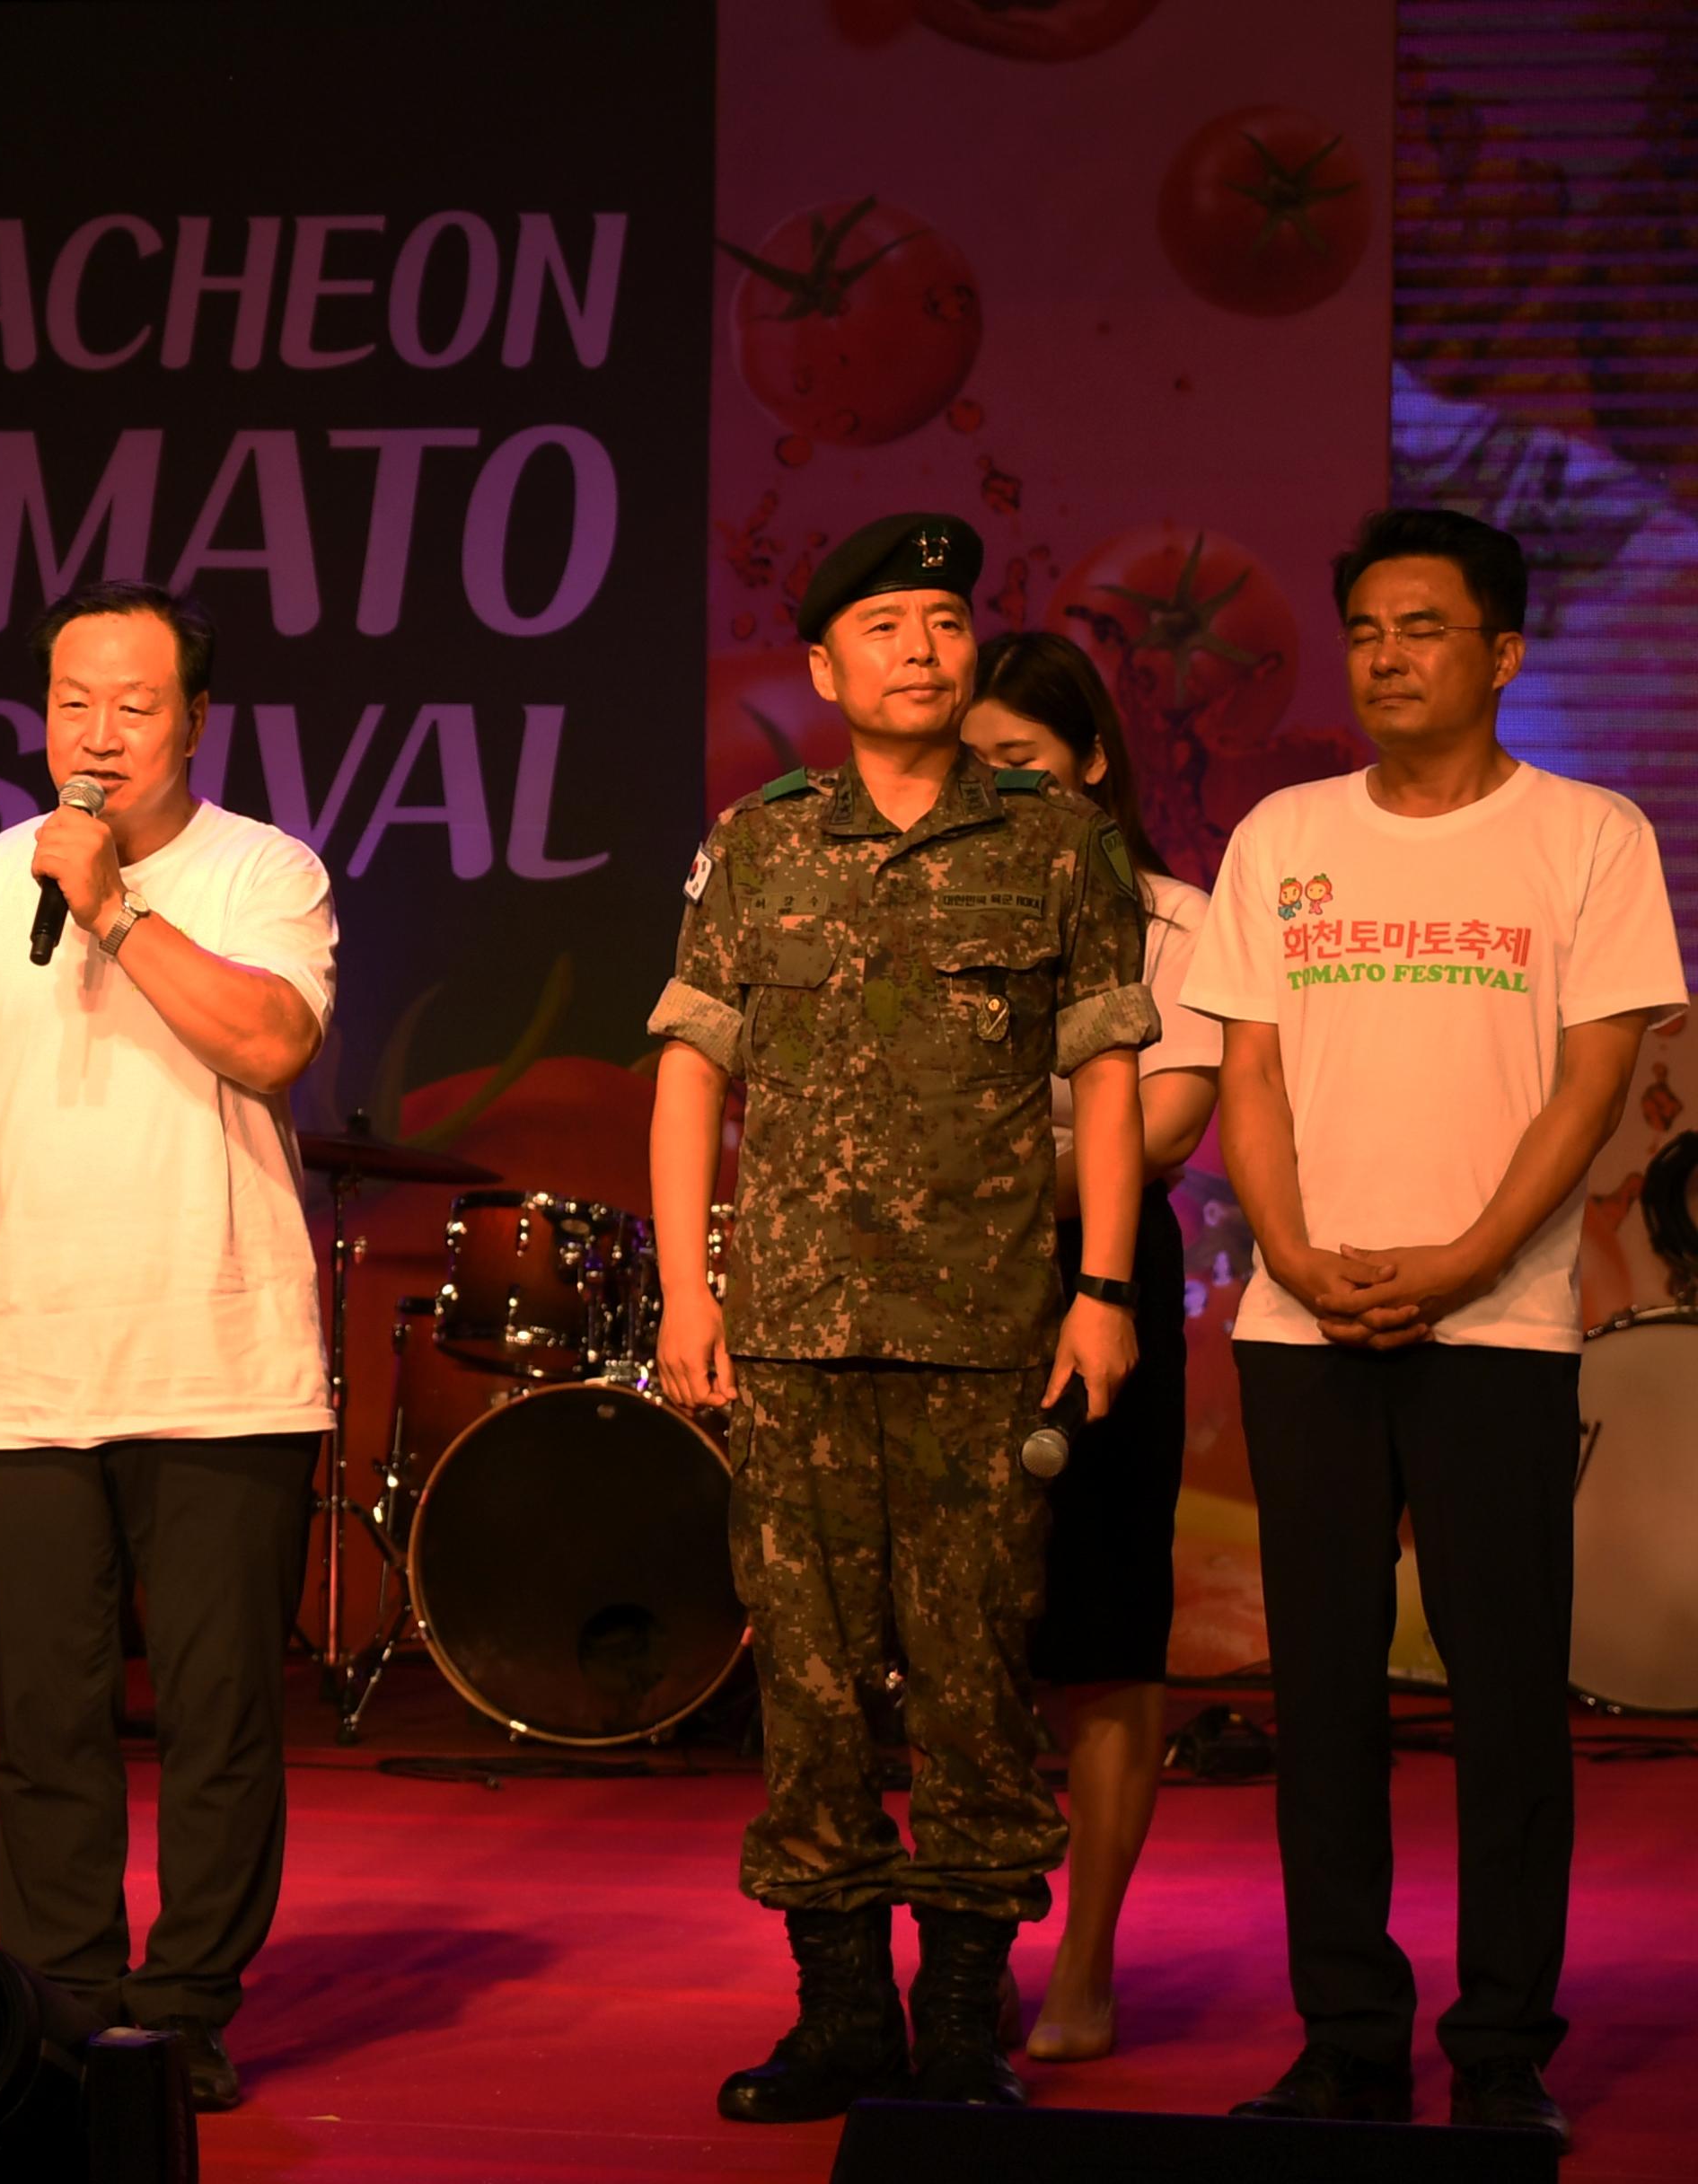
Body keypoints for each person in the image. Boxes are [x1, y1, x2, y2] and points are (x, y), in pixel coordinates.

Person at [648, 513, 1157, 2121]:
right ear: (822, 667)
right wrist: (686, 1287)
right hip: (793, 1334)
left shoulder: (1053, 844)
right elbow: (689, 1068)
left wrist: (1101, 1291)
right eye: (882, 626)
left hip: (985, 1330)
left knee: (973, 1687)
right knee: (802, 1683)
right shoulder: (758, 844)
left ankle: (958, 2024)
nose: (920, 650)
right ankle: (840, 2016)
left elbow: (1105, 1073)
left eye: (941, 620)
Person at [1185, 508, 1684, 2145]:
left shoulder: (1587, 834)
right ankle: (1344, 2033)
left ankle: (1496, 2047)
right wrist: (1294, 1251)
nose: (1387, 656)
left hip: (1503, 1328)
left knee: (1501, 1694)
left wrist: (1465, 1257)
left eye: (1422, 627)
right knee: (1318, 1690)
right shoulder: (1278, 835)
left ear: (1501, 653)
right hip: (1300, 1321)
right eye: (1365, 631)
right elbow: (1244, 1076)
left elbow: (1591, 1080)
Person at [0, 577, 336, 2113]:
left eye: (134, 703)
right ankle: (59, 2004)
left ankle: (186, 2002)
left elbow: (268, 1042)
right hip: (23, 1369)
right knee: (45, 1719)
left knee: (215, 1715)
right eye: (74, 700)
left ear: (195, 716)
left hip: (221, 1366)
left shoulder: (265, 872)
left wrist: (118, 905)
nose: (99, 731)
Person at [961, 631, 1225, 2062]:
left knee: (1107, 1635)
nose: (994, 789)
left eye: (1021, 762)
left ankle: (1093, 1959)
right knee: (963, 1639)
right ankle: (977, 1944)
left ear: (1094, 762)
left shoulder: (1179, 920)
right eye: (973, 764)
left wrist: (961, 1163)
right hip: (948, 1291)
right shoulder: (934, 903)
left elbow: (1168, 1131)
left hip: (1101, 1275)